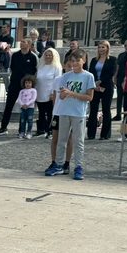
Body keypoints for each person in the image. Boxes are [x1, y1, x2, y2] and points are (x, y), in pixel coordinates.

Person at [45, 51, 95, 180]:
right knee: (61, 140)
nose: (74, 64)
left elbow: (89, 97)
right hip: (64, 111)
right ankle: (58, 165)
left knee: (78, 141)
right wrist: (63, 94)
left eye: (77, 61)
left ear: (83, 61)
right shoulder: (66, 76)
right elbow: (61, 95)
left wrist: (72, 94)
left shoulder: (88, 76)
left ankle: (78, 166)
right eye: (72, 61)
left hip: (78, 113)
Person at [0, 39, 38, 135]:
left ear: (29, 44)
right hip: (14, 83)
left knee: (25, 108)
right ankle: (3, 127)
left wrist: (31, 84)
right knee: (8, 106)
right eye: (21, 41)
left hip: (26, 86)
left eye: (24, 42)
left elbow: (35, 71)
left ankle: (22, 130)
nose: (21, 43)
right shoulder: (15, 55)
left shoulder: (33, 57)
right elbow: (11, 68)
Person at [88, 41, 118, 140]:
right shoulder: (94, 60)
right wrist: (95, 82)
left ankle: (105, 134)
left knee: (106, 109)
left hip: (107, 86)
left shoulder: (112, 60)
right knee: (93, 109)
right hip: (95, 86)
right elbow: (91, 71)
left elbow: (111, 73)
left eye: (103, 47)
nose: (101, 49)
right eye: (99, 47)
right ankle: (91, 134)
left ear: (107, 48)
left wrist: (100, 81)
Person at [35, 47, 62, 138]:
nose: (48, 56)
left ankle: (50, 130)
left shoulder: (56, 67)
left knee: (50, 113)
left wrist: (53, 93)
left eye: (50, 55)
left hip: (50, 93)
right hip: (40, 92)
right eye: (46, 55)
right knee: (41, 112)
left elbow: (57, 80)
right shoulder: (41, 66)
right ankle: (41, 130)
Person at [113, 39, 127, 120]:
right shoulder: (121, 55)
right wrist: (115, 76)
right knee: (119, 98)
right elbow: (117, 67)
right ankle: (118, 115)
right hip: (120, 78)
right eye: (125, 45)